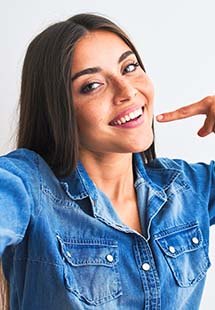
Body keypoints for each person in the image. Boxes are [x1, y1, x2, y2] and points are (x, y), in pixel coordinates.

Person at [0, 13, 214, 310]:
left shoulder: (187, 187)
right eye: (92, 85)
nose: (127, 91)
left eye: (129, 67)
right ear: (57, 108)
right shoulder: (25, 186)